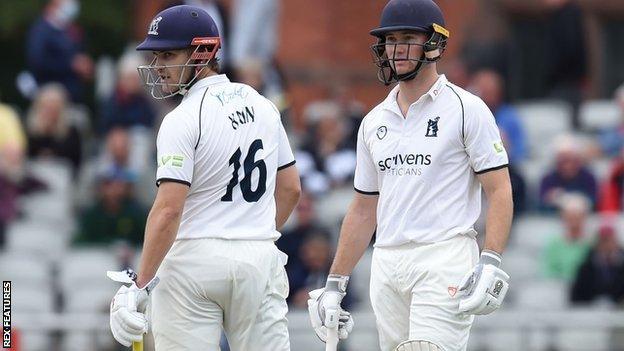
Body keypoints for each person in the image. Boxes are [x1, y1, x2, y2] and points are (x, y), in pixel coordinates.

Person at [307, 1, 514, 350]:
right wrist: (335, 283)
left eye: (407, 38)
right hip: (387, 262)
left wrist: (490, 259)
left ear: (434, 43)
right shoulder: (373, 121)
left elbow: (499, 189)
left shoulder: (466, 108)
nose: (396, 50)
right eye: (390, 40)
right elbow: (362, 209)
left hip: (444, 256)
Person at [106, 5, 300, 351]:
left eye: (167, 54)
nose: (157, 66)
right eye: (155, 55)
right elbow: (291, 189)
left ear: (203, 53)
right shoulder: (264, 106)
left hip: (192, 262)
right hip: (258, 256)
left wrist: (140, 284)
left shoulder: (181, 119)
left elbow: (168, 210)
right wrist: (251, 231)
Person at [26, 0, 93, 102]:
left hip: (72, 96)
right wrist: (71, 65)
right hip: (50, 96)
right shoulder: (41, 30)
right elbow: (38, 61)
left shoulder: (69, 29)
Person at [570, 224, 624, 305]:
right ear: (598, 243)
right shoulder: (586, 267)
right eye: (604, 241)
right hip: (591, 311)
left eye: (610, 240)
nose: (607, 245)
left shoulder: (621, 265)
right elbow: (576, 296)